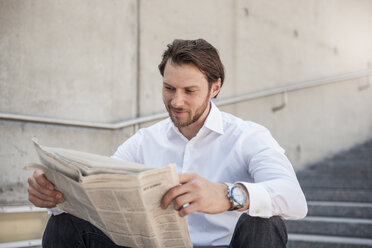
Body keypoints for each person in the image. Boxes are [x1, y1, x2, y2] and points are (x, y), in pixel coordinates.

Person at [28, 39, 307, 248]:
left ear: (215, 88)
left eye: (189, 91)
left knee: (265, 221)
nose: (176, 101)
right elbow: (99, 193)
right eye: (169, 88)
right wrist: (56, 196)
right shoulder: (143, 141)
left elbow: (294, 199)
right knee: (65, 223)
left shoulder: (249, 136)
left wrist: (228, 196)